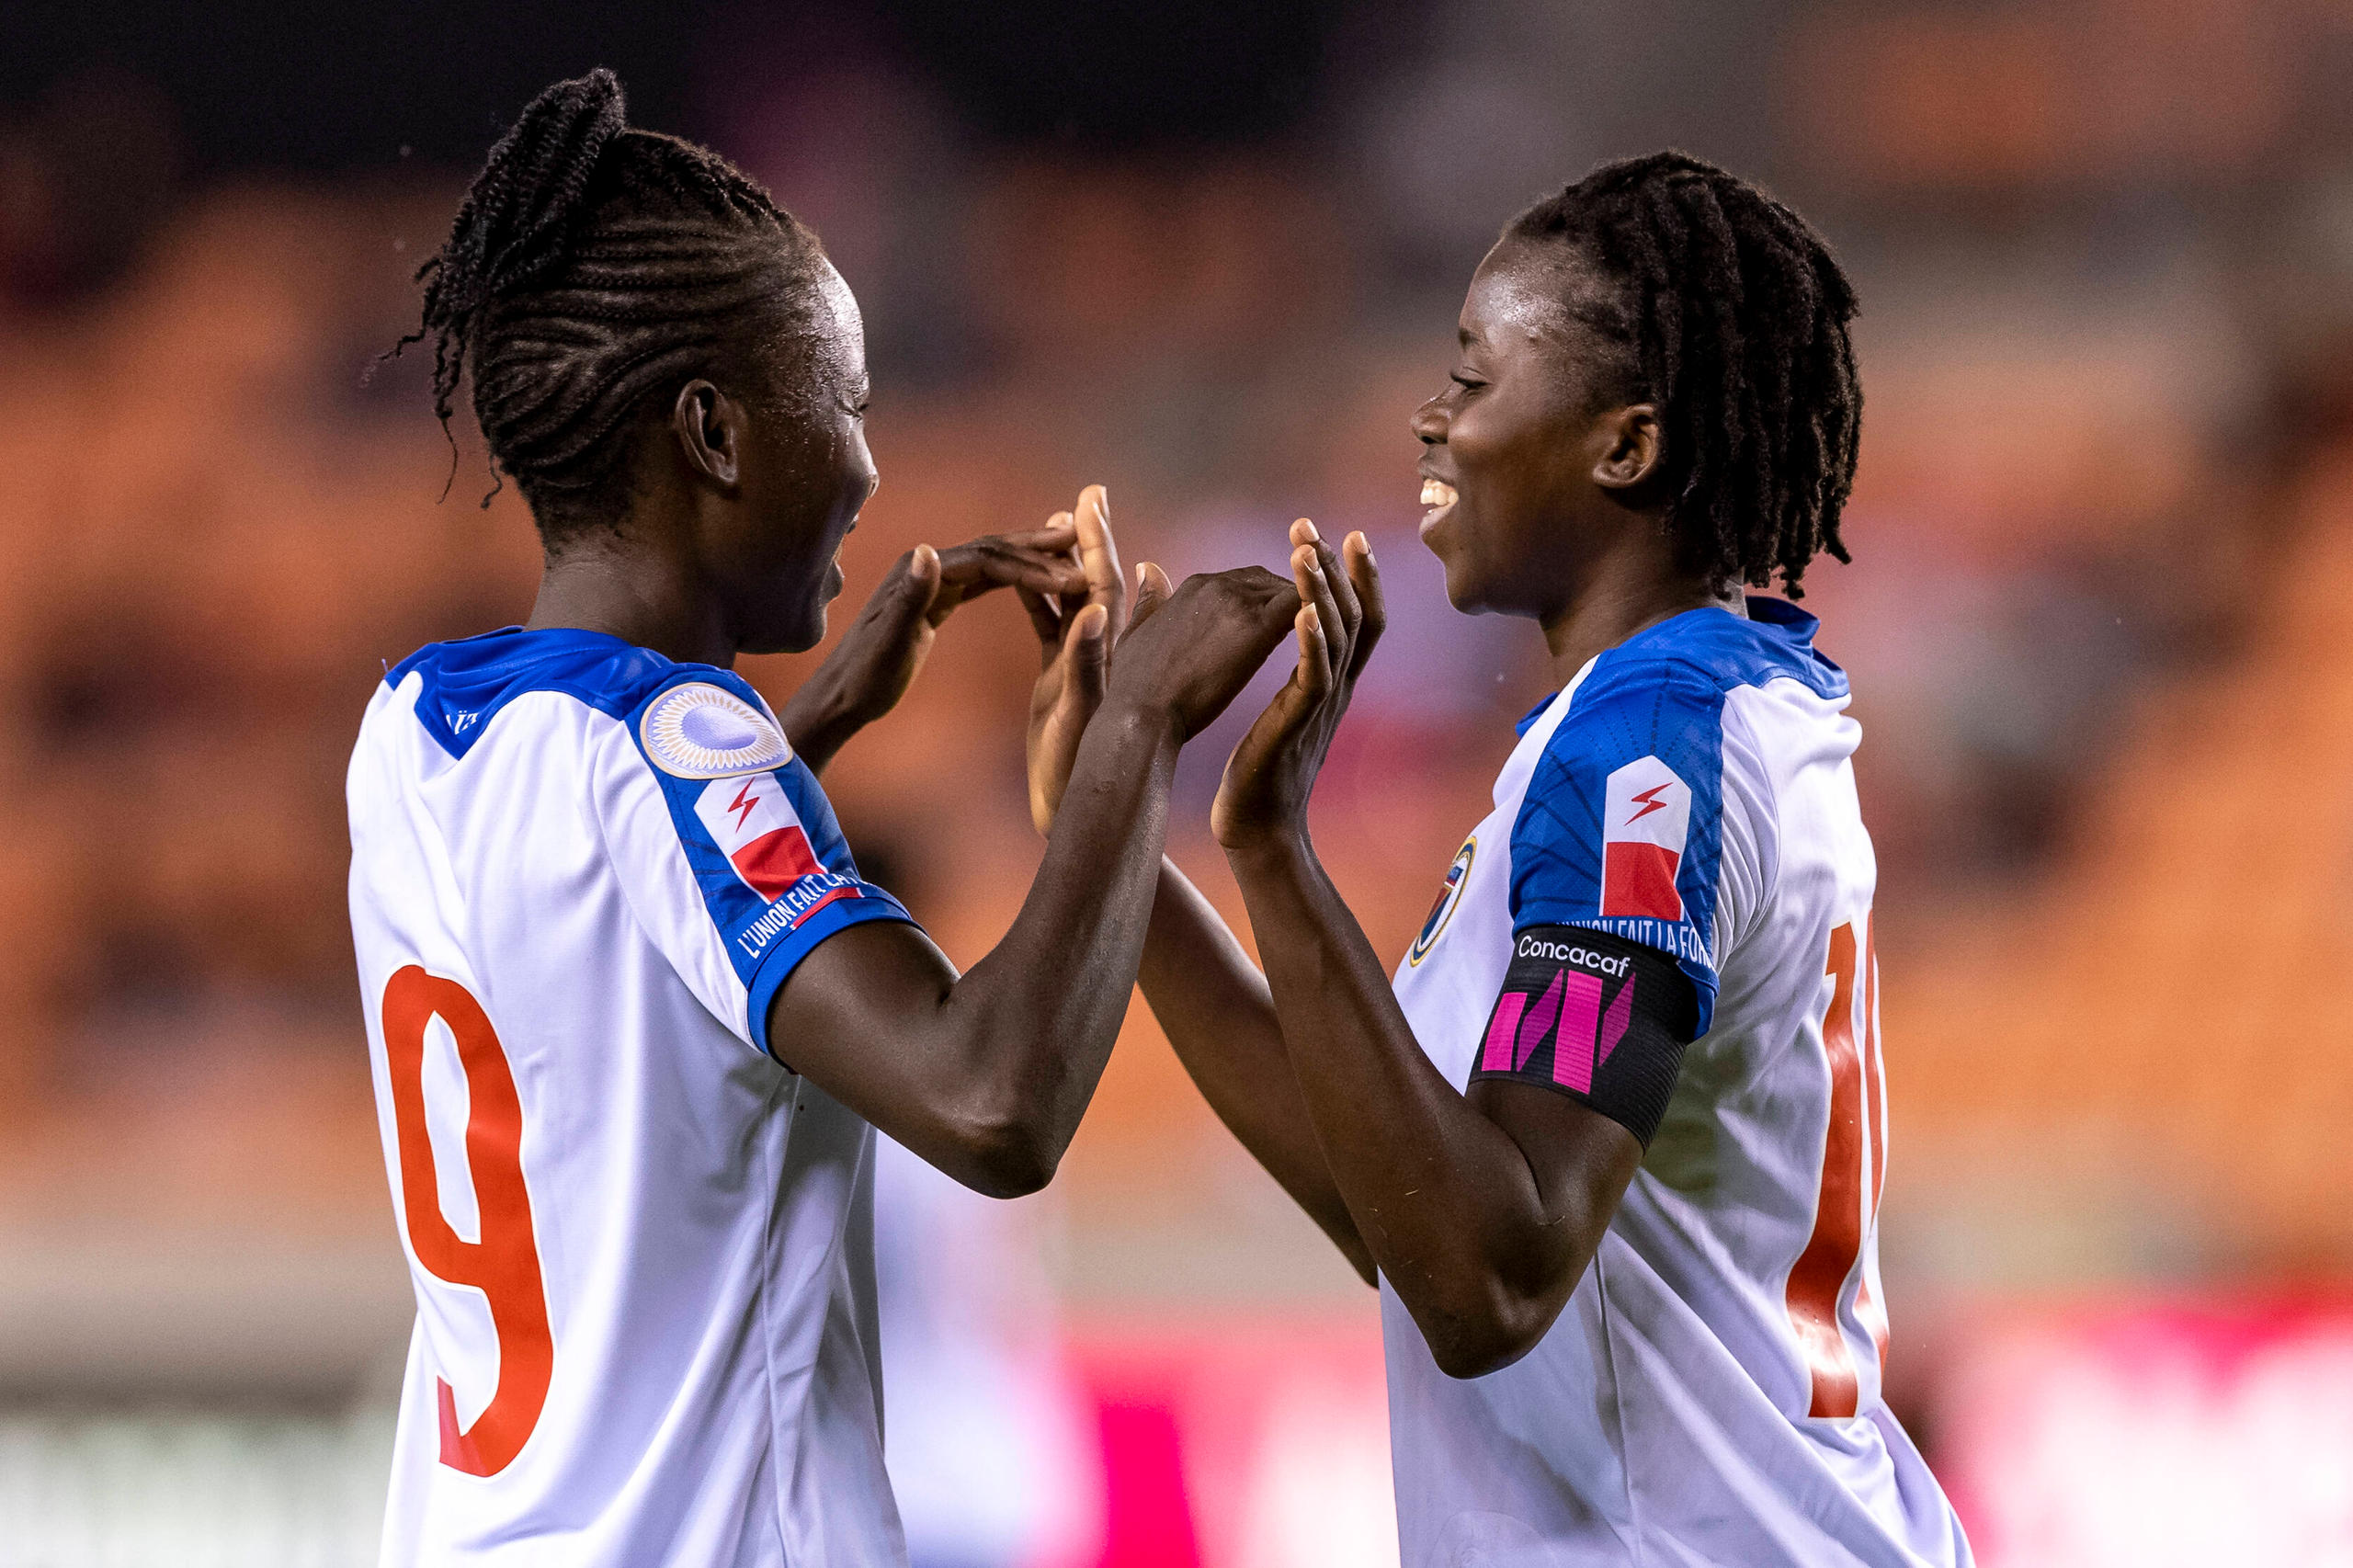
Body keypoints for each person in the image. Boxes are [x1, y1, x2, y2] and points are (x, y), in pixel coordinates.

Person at [347, 71, 1296, 1566]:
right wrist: (1134, 733)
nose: (866, 464)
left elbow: (609, 927)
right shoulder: (679, 747)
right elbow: (990, 1104)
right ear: (717, 431)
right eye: (844, 401)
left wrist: (809, 734)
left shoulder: (414, 729)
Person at [1036, 153, 1972, 1565]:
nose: (1432, 420)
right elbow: (1396, 1209)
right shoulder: (1664, 723)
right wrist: (1110, 815)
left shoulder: (1644, 749)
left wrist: (1281, 845)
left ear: (1626, 445)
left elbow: (1491, 1268)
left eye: (1474, 380)